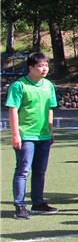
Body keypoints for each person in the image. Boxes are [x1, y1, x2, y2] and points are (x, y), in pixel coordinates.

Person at [6, 52, 59, 219]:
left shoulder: (48, 85)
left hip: (43, 136)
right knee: (23, 171)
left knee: (40, 171)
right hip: (26, 135)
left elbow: (50, 108)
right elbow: (13, 109)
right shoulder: (18, 86)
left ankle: (38, 203)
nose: (44, 69)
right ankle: (20, 205)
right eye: (40, 66)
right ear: (31, 68)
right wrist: (16, 135)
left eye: (46, 66)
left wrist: (50, 131)